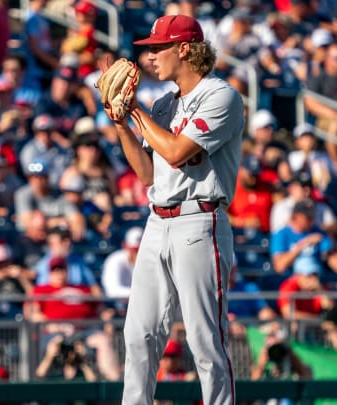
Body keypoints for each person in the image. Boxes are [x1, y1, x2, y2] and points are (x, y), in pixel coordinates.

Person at [112, 15, 243, 404]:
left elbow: (178, 151)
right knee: (139, 335)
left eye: (157, 47)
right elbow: (149, 174)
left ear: (184, 49)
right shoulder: (163, 103)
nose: (150, 56)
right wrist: (121, 122)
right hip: (158, 220)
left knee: (205, 340)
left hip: (200, 221)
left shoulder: (222, 96)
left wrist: (134, 111)